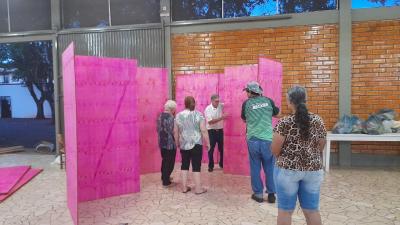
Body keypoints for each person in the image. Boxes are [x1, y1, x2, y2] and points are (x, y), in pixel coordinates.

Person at [272, 86, 326, 225]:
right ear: (305, 100)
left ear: (290, 102)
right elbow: (321, 145)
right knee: (312, 210)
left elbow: (275, 150)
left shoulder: (285, 122)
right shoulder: (318, 120)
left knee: (285, 211)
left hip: (287, 170)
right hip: (313, 170)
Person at [241, 81, 279, 203]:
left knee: (255, 166)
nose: (246, 93)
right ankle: (271, 194)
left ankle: (258, 194)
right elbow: (277, 113)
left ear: (251, 92)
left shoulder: (246, 104)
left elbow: (244, 118)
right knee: (270, 167)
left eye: (247, 91)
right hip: (268, 140)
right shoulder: (268, 101)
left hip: (253, 140)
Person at [174, 96, 210, 194]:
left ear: (185, 104)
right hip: (196, 144)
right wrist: (208, 142)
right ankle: (198, 189)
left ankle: (184, 188)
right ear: (194, 103)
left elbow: (175, 131)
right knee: (196, 166)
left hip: (184, 144)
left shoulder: (178, 116)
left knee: (184, 165)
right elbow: (203, 130)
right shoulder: (199, 114)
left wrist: (177, 142)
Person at [157, 100, 178, 187]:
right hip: (170, 143)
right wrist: (177, 142)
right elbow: (174, 131)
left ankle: (164, 177)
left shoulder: (159, 116)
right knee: (170, 162)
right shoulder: (171, 118)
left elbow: (157, 129)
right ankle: (166, 181)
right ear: (172, 109)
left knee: (164, 160)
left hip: (161, 142)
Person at [204, 94, 226, 172]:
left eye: (218, 101)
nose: (218, 103)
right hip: (211, 131)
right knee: (211, 149)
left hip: (220, 130)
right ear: (212, 101)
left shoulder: (220, 105)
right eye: (216, 101)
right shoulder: (207, 109)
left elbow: (227, 104)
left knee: (222, 149)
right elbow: (210, 122)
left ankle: (222, 163)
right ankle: (211, 166)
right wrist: (222, 118)